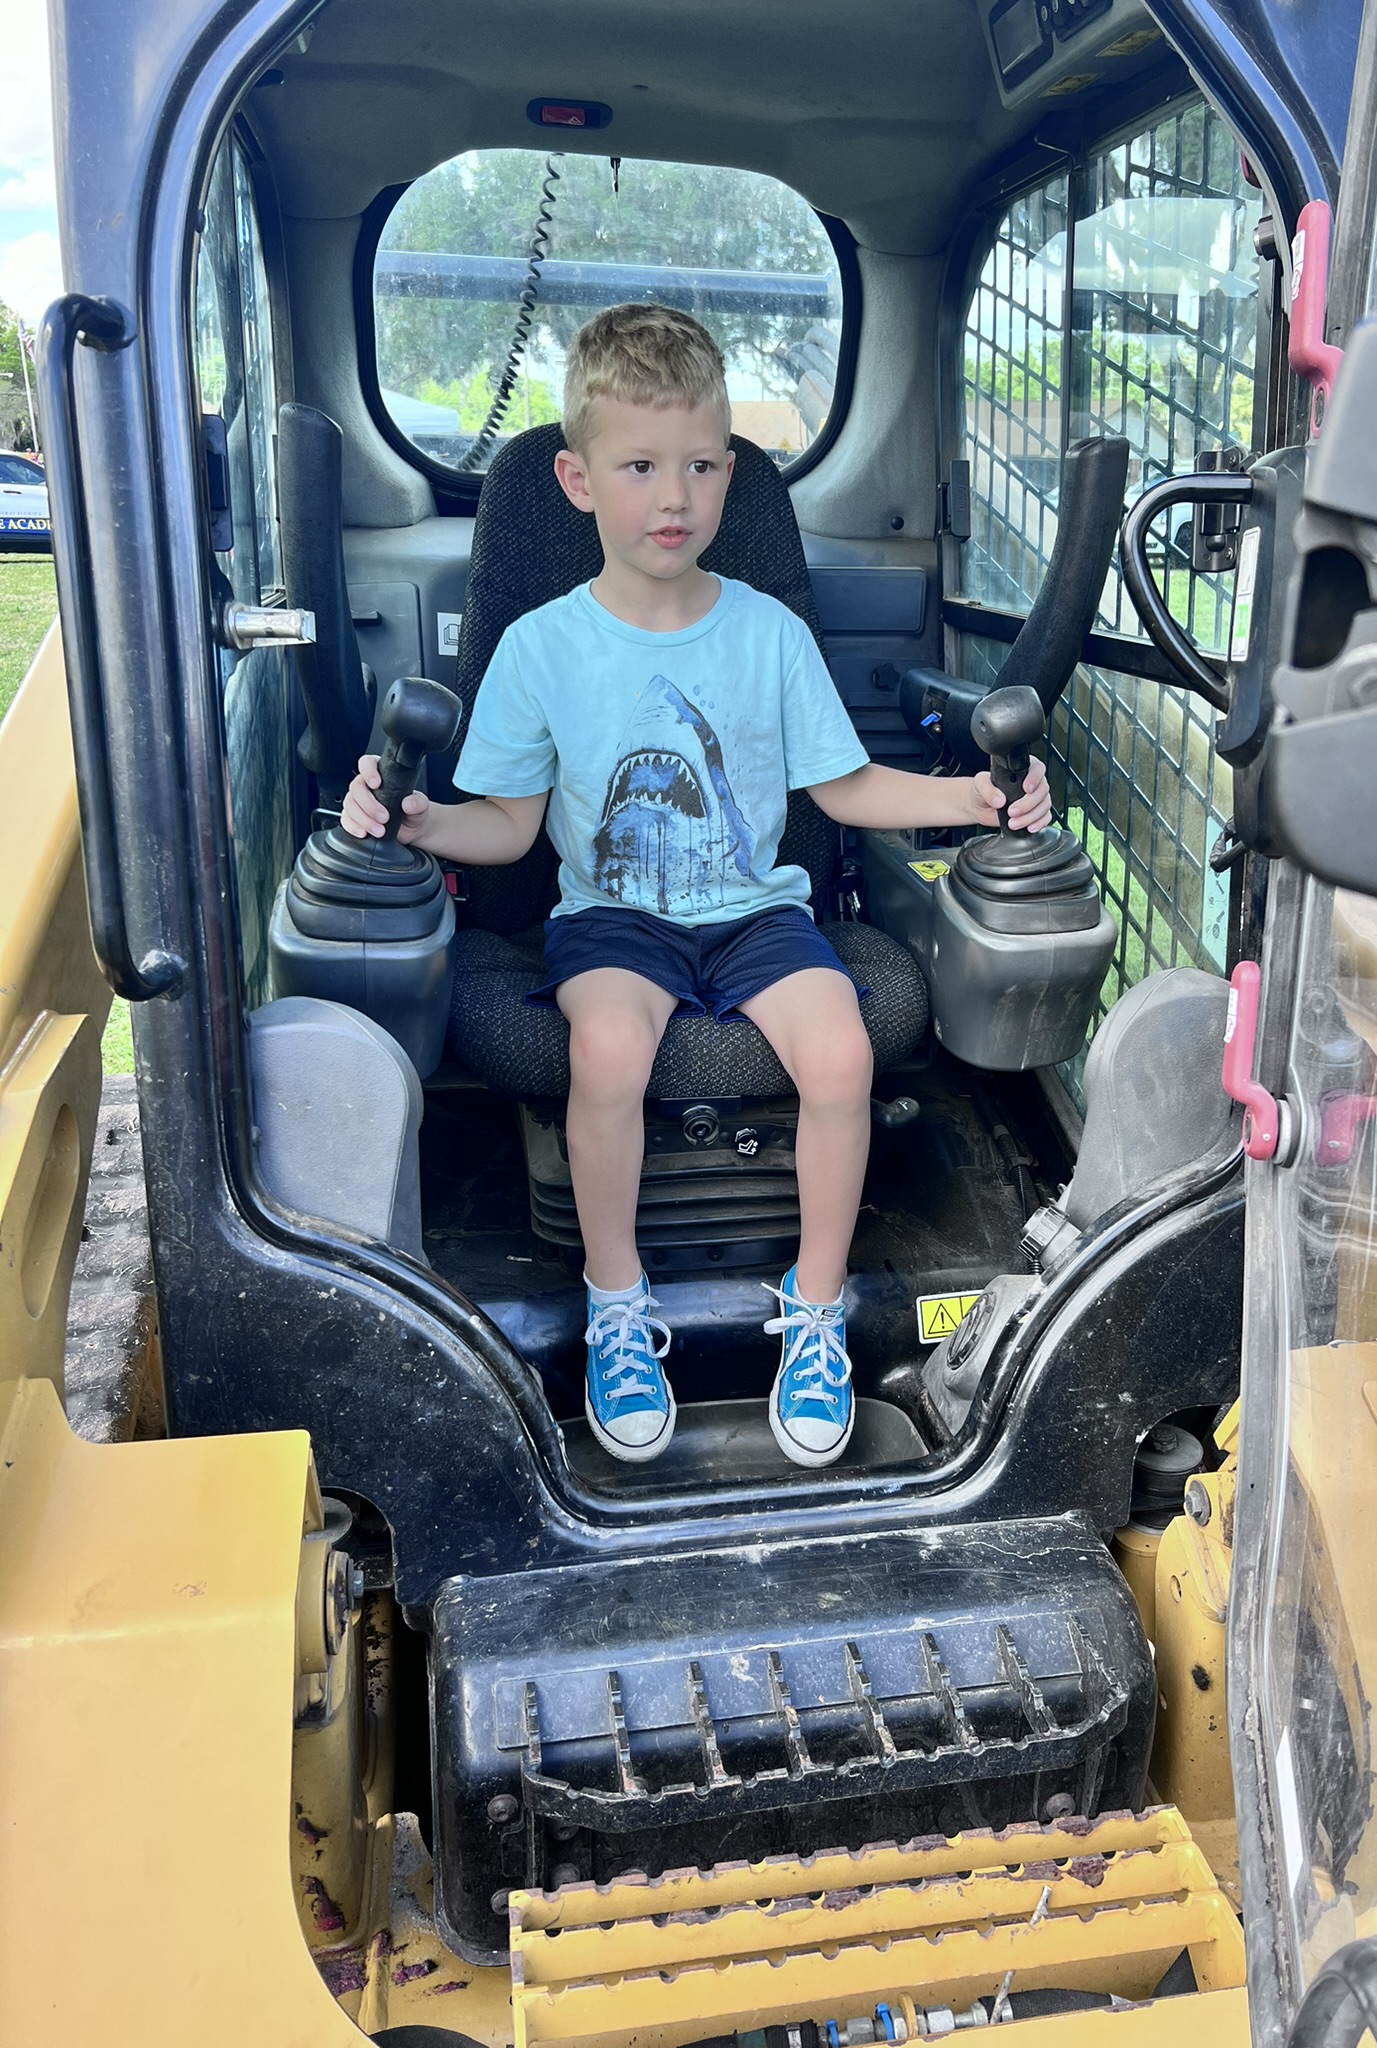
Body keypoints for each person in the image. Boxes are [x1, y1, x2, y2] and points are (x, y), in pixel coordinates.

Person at [343, 303, 1050, 1469]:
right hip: (611, 919)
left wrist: (971, 798)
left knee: (843, 1055)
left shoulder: (768, 632)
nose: (673, 497)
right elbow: (512, 825)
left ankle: (812, 1311)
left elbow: (847, 784)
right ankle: (619, 1303)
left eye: (701, 466)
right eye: (639, 466)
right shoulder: (540, 646)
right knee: (607, 1051)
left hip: (758, 913)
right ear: (577, 479)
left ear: (730, 474)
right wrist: (417, 821)